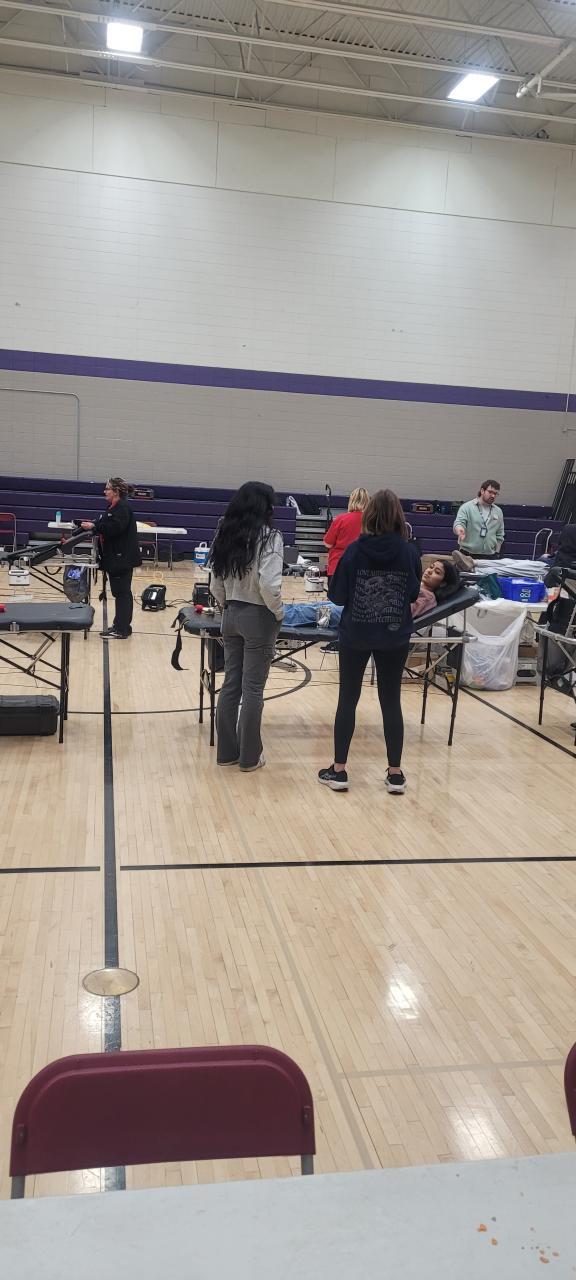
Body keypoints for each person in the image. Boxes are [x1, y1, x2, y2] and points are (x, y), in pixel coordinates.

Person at [318, 489, 421, 795]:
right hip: (394, 634)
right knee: (391, 701)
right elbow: (413, 594)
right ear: (398, 517)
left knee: (348, 699)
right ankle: (395, 774)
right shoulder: (408, 552)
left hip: (357, 633)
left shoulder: (354, 551)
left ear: (370, 515)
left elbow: (337, 596)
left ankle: (339, 770)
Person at [210, 481, 284, 772]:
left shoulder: (224, 533)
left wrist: (227, 605)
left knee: (231, 685)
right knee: (252, 689)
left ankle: (226, 753)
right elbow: (269, 585)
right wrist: (278, 612)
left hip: (230, 613)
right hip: (259, 616)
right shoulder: (271, 537)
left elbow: (215, 583)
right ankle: (250, 758)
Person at [81, 477, 141, 639]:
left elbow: (114, 528)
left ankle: (121, 629)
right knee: (121, 593)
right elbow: (107, 523)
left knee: (122, 593)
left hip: (121, 558)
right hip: (116, 557)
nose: (104, 491)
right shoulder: (114, 507)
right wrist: (95, 525)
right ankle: (121, 625)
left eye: (107, 489)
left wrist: (95, 526)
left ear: (116, 491)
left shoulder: (122, 508)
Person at [324, 488, 370, 584]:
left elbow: (327, 543)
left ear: (351, 500)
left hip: (338, 567)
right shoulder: (372, 522)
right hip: (363, 569)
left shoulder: (341, 519)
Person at [453, 480, 504, 564]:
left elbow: (500, 534)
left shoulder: (498, 511)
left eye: (495, 493)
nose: (493, 495)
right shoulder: (467, 507)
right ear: (482, 491)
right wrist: (459, 529)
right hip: (467, 555)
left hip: (489, 556)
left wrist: (497, 552)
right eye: (490, 492)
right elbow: (459, 522)